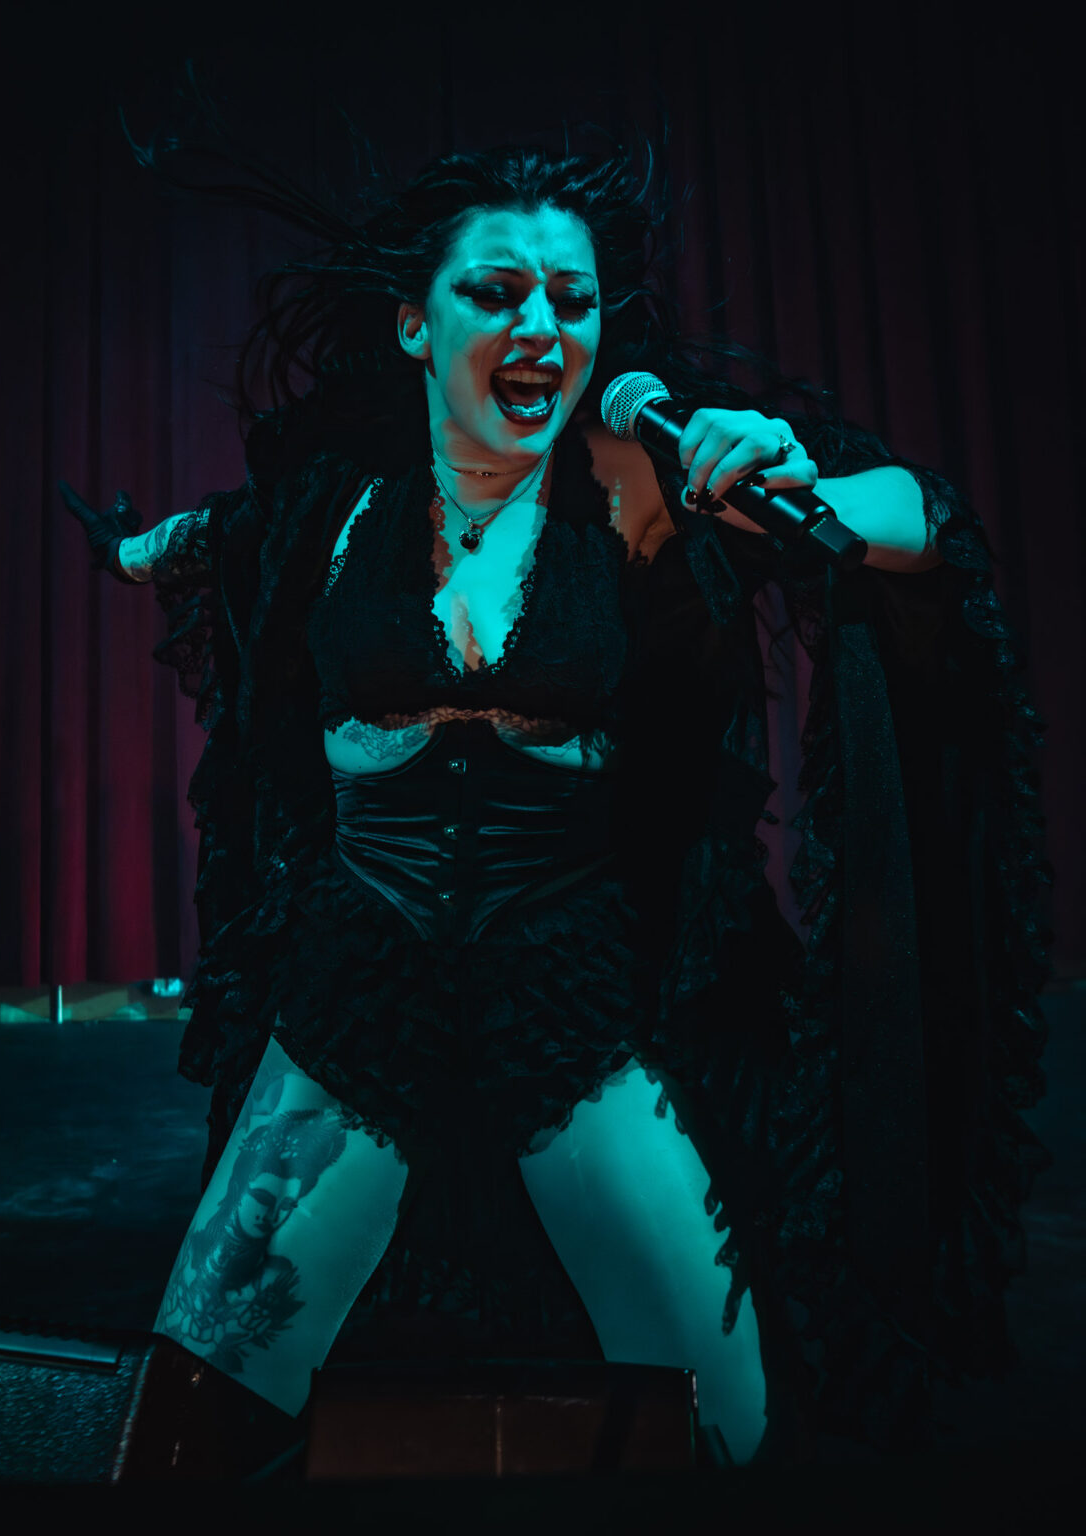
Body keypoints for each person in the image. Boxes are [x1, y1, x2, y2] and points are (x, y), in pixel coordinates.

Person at [62, 134, 1052, 1473]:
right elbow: (200, 544)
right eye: (495, 291)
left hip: (572, 999)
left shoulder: (638, 488)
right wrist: (126, 548)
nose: (541, 325)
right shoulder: (332, 509)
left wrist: (801, 480)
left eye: (572, 299)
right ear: (414, 325)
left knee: (729, 1430)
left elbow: (920, 521)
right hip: (359, 996)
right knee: (189, 1425)